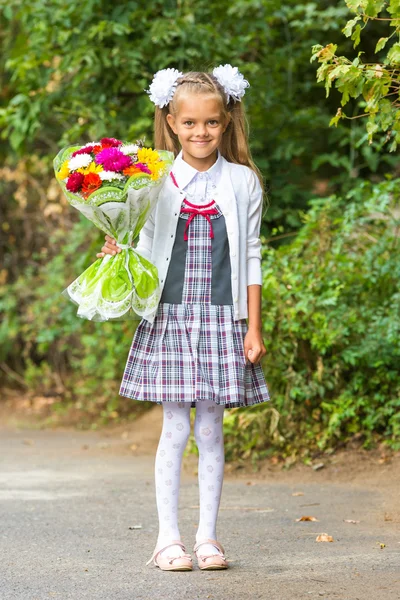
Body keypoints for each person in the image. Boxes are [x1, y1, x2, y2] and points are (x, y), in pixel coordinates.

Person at [96, 65, 270, 571]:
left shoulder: (242, 182)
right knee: (175, 428)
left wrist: (252, 326)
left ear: (227, 122)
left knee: (211, 430)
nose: (201, 132)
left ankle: (208, 538)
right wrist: (118, 248)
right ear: (171, 122)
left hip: (222, 321)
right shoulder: (152, 178)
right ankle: (167, 539)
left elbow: (253, 257)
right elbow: (143, 247)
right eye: (190, 123)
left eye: (211, 123)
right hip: (169, 319)